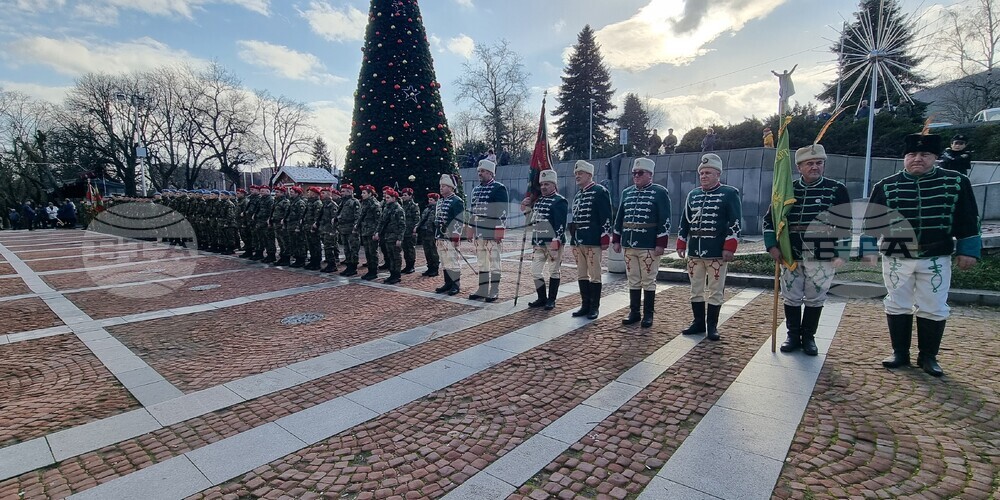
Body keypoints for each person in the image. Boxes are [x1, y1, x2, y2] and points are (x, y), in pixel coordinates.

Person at [863, 133, 981, 377]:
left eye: (924, 155)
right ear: (905, 158)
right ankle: (900, 352)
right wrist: (868, 250)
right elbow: (871, 222)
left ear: (935, 158)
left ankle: (928, 356)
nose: (917, 159)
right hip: (896, 256)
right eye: (912, 155)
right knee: (897, 303)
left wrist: (968, 251)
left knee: (934, 306)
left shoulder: (956, 182)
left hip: (936, 255)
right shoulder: (885, 185)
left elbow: (969, 219)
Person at [763, 143, 850, 356]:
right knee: (791, 296)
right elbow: (769, 221)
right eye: (809, 163)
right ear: (799, 167)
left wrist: (842, 253)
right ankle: (793, 335)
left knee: (815, 298)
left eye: (819, 163)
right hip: (791, 253)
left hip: (822, 255)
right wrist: (772, 246)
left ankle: (809, 337)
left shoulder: (836, 189)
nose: (815, 167)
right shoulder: (786, 190)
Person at [676, 153, 743, 341]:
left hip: (716, 250)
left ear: (717, 174)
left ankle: (712, 326)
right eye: (702, 173)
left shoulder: (729, 193)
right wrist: (681, 242)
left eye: (708, 173)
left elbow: (735, 222)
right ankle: (698, 323)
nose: (703, 176)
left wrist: (729, 246)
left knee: (715, 289)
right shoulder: (693, 194)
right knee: (695, 288)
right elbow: (684, 221)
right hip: (695, 251)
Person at [613, 157, 671, 328]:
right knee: (633, 279)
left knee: (648, 279)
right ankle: (634, 312)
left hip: (649, 244)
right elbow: (620, 217)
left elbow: (665, 219)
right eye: (634, 173)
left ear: (650, 175)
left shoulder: (660, 192)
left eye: (640, 173)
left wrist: (661, 243)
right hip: (629, 244)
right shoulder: (627, 192)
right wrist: (616, 239)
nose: (636, 176)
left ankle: (648, 314)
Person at [570, 160, 613, 320]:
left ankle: (594, 307)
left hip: (593, 239)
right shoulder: (578, 195)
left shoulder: (599, 191)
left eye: (580, 173)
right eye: (576, 173)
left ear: (589, 174)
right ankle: (585, 305)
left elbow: (606, 215)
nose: (577, 176)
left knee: (595, 274)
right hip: (579, 239)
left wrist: (604, 235)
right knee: (582, 274)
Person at [525, 169, 568, 310]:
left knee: (554, 271)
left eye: (547, 184)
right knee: (535, 271)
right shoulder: (538, 201)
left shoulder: (559, 201)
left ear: (554, 185)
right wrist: (526, 208)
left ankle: (551, 299)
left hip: (552, 243)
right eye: (542, 184)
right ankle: (541, 297)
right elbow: (532, 221)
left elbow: (560, 225)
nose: (543, 187)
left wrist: (556, 243)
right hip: (538, 242)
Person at [468, 159, 509, 302]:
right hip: (479, 232)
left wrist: (499, 230)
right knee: (482, 262)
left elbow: (502, 211)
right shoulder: (476, 189)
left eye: (483, 171)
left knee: (494, 262)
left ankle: (494, 290)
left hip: (492, 232)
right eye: (479, 171)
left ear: (491, 173)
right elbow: (473, 211)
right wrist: (471, 228)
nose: (480, 174)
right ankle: (483, 289)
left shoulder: (499, 188)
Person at [434, 174, 466, 296]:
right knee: (444, 260)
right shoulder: (441, 201)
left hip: (450, 237)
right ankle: (447, 283)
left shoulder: (457, 201)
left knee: (452, 261)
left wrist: (456, 237)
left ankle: (455, 285)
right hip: (440, 236)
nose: (441, 188)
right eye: (441, 186)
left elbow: (459, 220)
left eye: (444, 186)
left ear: (451, 187)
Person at [375, 188, 406, 284]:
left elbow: (402, 225)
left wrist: (400, 238)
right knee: (390, 256)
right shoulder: (387, 208)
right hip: (387, 236)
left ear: (394, 198)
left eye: (388, 197)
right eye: (385, 197)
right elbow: (382, 222)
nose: (386, 199)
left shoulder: (398, 209)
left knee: (396, 256)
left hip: (395, 236)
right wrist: (378, 232)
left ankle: (397, 275)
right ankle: (392, 274)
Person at [357, 185, 383, 280]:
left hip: (372, 232)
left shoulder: (375, 204)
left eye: (364, 193)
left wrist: (376, 232)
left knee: (373, 252)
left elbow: (379, 220)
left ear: (370, 194)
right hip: (365, 231)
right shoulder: (365, 203)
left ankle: (373, 271)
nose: (362, 194)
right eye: (362, 192)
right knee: (367, 252)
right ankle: (370, 270)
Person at [337, 184, 362, 276]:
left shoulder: (354, 202)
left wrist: (356, 227)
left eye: (343, 191)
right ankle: (348, 266)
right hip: (343, 229)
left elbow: (357, 216)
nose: (341, 193)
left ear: (349, 192)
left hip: (351, 229)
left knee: (353, 249)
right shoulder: (343, 202)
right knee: (346, 249)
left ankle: (353, 267)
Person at [418, 193, 441, 277]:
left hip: (432, 233)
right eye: (429, 199)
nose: (429, 201)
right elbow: (422, 219)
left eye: (431, 200)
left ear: (436, 201)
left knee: (433, 251)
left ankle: (435, 268)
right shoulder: (427, 209)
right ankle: (430, 267)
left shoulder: (438, 210)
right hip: (425, 233)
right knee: (427, 251)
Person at [318, 188, 340, 273]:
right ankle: (330, 264)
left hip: (330, 230)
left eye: (323, 193)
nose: (321, 195)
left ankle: (332, 265)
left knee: (329, 247)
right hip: (324, 229)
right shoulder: (324, 204)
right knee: (327, 247)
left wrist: (333, 231)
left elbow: (334, 220)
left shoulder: (332, 205)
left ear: (328, 194)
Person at [399, 187, 420, 274]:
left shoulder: (413, 206)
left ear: (410, 196)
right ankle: (407, 265)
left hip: (411, 231)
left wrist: (415, 229)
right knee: (405, 249)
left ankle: (411, 266)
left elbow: (417, 219)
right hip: (404, 231)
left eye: (405, 195)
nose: (403, 197)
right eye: (402, 195)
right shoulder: (402, 206)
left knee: (410, 249)